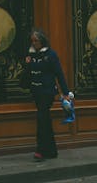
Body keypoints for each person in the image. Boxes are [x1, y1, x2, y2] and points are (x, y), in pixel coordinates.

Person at [24, 28, 74, 161]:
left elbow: (59, 74)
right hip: (36, 93)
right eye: (32, 41)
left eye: (36, 40)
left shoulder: (51, 55)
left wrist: (65, 92)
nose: (34, 43)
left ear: (42, 41)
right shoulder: (31, 55)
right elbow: (27, 76)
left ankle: (40, 151)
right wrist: (27, 65)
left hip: (47, 92)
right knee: (45, 120)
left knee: (42, 120)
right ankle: (51, 151)